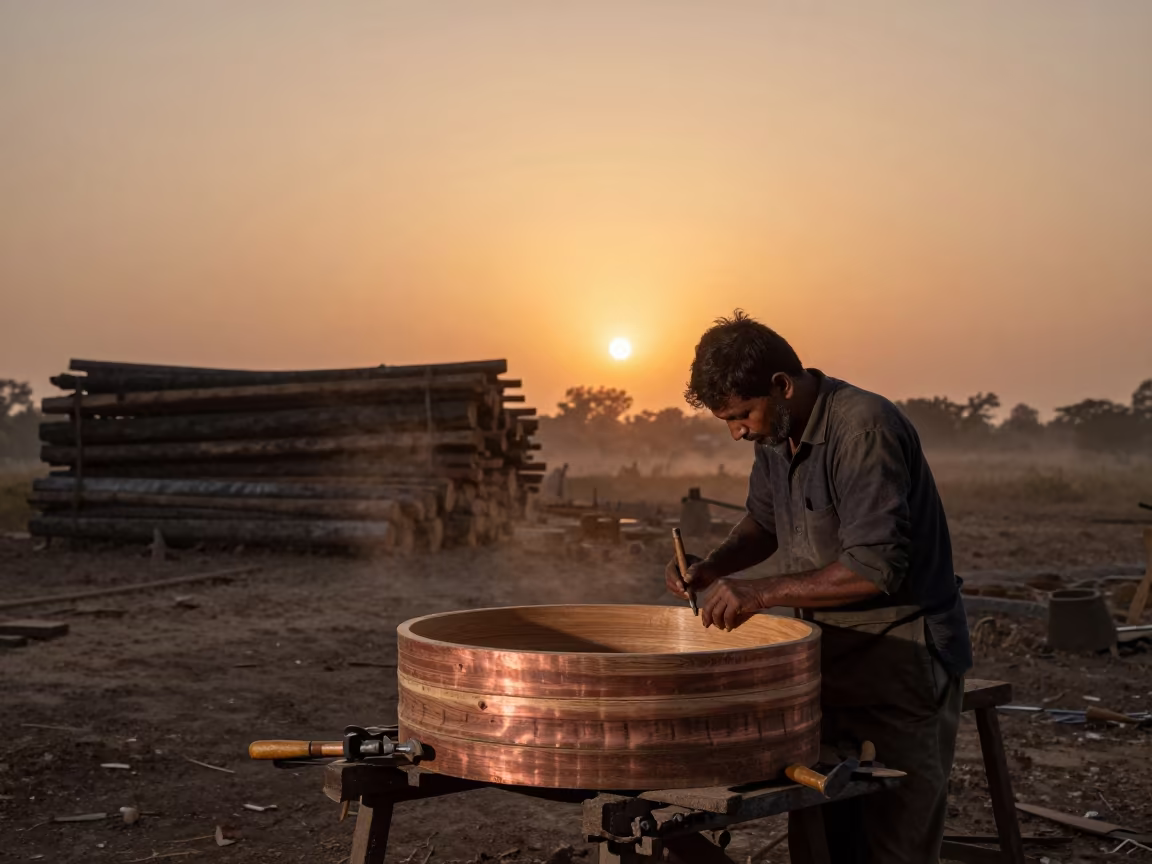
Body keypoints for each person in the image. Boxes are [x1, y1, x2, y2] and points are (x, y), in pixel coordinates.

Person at [665, 311, 971, 864]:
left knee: (895, 843)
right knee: (823, 841)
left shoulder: (864, 429)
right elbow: (764, 524)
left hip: (902, 666)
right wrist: (712, 566)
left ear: (782, 385)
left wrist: (760, 594)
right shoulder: (775, 435)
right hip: (826, 665)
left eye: (742, 415)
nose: (738, 432)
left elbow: (874, 567)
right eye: (727, 421)